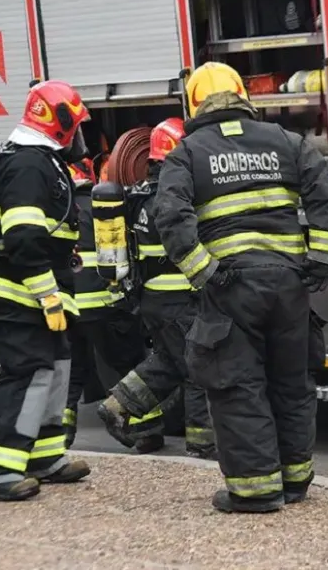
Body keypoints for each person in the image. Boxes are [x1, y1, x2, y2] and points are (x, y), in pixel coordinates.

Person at [152, 62, 328, 513]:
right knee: (291, 383)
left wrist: (203, 271)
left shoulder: (187, 153)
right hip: (289, 286)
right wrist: (320, 260)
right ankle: (295, 481)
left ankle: (255, 490)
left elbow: (171, 216)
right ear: (242, 94)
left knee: (238, 385)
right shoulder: (286, 141)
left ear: (194, 103)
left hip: (232, 289)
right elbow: (326, 195)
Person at [0, 80, 93, 501]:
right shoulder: (27, 166)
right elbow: (22, 237)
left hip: (32, 289)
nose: (80, 136)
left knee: (56, 367)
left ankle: (43, 456)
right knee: (26, 370)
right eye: (76, 126)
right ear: (59, 122)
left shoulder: (40, 161)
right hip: (17, 290)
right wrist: (47, 294)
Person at [97, 117, 216, 459]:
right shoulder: (175, 196)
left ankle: (118, 405)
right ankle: (203, 443)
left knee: (168, 361)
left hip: (152, 300)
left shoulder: (138, 195)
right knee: (198, 368)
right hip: (180, 299)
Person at [65, 157, 163, 452]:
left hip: (67, 308)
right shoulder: (102, 207)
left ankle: (60, 433)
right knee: (128, 363)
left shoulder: (58, 208)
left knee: (72, 371)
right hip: (104, 305)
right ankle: (147, 432)